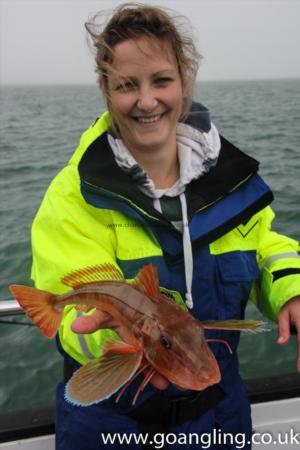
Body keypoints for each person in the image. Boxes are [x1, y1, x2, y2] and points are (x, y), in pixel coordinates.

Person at [30, 3, 300, 449]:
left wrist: (291, 289)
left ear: (184, 79)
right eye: (126, 86)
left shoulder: (231, 179)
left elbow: (268, 244)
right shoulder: (74, 194)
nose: (147, 100)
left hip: (220, 415)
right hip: (111, 423)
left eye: (161, 80)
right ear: (105, 89)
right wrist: (107, 337)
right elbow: (71, 313)